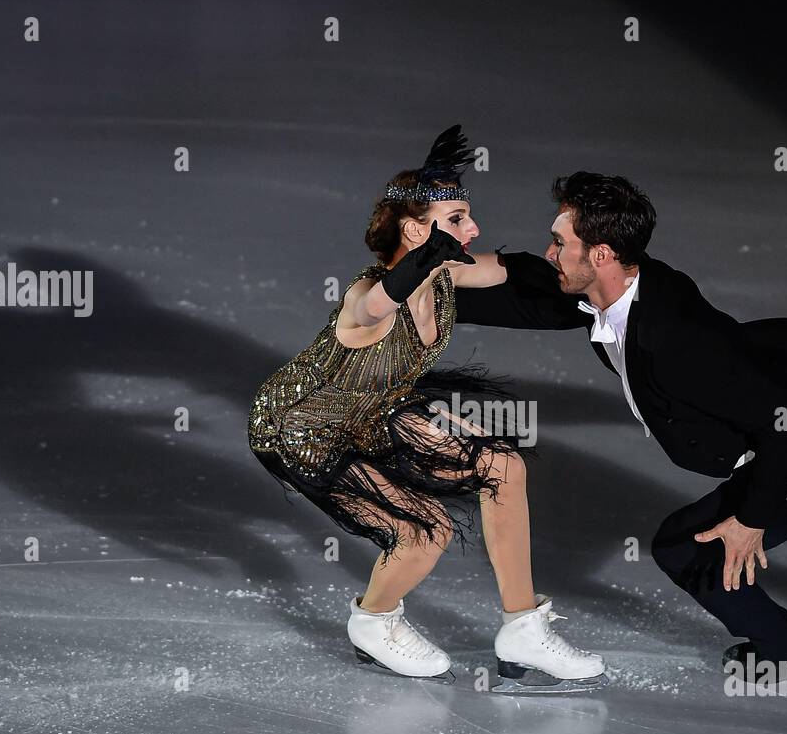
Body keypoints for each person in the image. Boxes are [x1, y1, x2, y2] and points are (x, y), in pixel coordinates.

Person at [454, 171, 787, 686]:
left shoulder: (678, 343)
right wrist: (424, 296)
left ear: (601, 254)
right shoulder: (618, 288)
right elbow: (533, 289)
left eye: (558, 242)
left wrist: (752, 519)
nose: (550, 252)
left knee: (687, 548)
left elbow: (782, 425)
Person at [247, 127, 605, 693]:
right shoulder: (365, 298)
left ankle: (523, 628)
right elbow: (380, 299)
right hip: (302, 428)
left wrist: (614, 290)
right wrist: (425, 259)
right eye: (458, 217)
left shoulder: (445, 275)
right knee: (424, 531)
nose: (473, 228)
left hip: (378, 407)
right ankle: (373, 621)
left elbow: (513, 269)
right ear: (417, 231)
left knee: (503, 468)